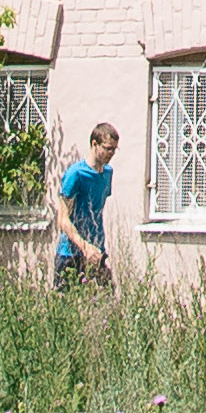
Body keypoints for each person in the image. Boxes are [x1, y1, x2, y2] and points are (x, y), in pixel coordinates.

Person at [52, 121, 121, 288]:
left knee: (104, 304)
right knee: (66, 309)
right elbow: (63, 219)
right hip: (71, 254)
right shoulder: (75, 174)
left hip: (97, 253)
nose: (111, 153)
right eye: (107, 148)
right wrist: (84, 246)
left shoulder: (107, 174)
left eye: (114, 149)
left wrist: (95, 249)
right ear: (94, 144)